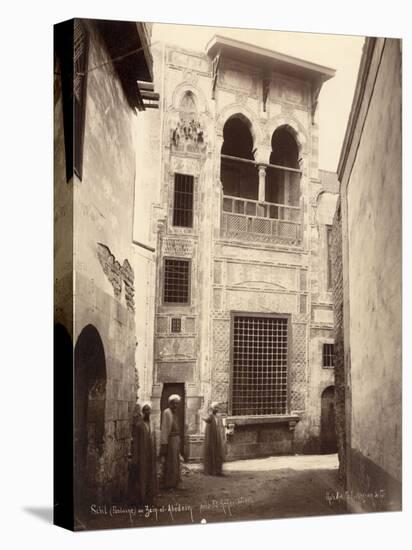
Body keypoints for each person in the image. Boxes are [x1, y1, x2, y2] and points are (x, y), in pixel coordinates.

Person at [129, 403, 158, 505]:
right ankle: (141, 498)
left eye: (149, 410)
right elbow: (136, 443)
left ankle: (149, 497)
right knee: (142, 475)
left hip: (150, 455)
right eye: (145, 410)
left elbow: (154, 440)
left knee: (150, 474)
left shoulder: (152, 424)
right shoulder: (138, 425)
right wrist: (135, 457)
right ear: (142, 412)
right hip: (142, 455)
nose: (147, 412)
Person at [159, 394, 182, 489]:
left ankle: (175, 482)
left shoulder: (175, 413)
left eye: (177, 404)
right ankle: (169, 483)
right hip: (171, 440)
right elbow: (164, 428)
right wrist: (164, 443)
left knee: (176, 461)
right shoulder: (166, 412)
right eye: (174, 404)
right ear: (170, 403)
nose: (176, 406)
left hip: (176, 439)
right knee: (171, 461)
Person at [202, 402, 226, 476]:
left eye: (217, 408)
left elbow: (220, 427)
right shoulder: (211, 416)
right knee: (212, 453)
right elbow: (206, 419)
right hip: (212, 439)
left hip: (217, 438)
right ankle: (212, 471)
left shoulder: (218, 417)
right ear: (212, 409)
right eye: (215, 408)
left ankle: (218, 470)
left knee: (218, 454)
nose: (217, 409)